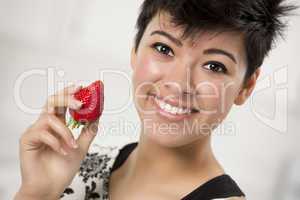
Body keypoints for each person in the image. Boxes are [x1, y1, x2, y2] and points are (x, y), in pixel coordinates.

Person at [14, 0, 296, 199]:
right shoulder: (78, 167)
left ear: (246, 86)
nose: (179, 83)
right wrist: (37, 193)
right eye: (163, 48)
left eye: (214, 66)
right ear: (134, 50)